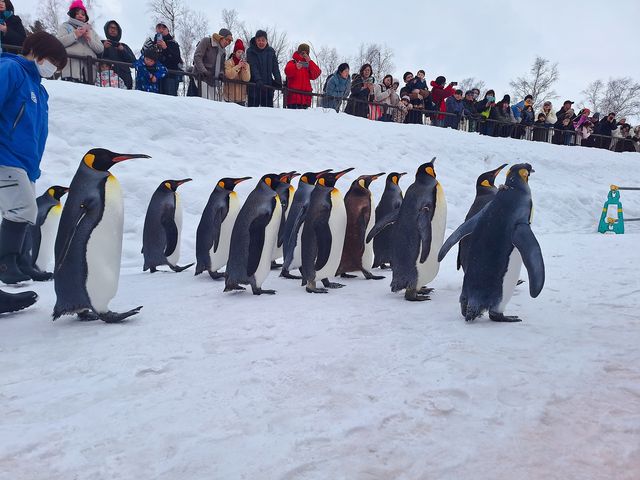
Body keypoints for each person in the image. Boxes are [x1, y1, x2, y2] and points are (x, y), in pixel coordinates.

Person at [0, 32, 67, 314]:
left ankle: (21, 261)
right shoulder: (11, 69)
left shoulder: (39, 88)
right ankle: (7, 262)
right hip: (6, 155)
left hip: (25, 162)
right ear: (35, 51)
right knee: (23, 209)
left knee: (24, 210)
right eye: (52, 61)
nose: (52, 68)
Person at [57, 0, 103, 84]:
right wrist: (75, 35)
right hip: (71, 69)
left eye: (83, 14)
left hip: (90, 71)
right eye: (77, 13)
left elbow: (100, 49)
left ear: (85, 17)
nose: (80, 16)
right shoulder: (65, 26)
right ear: (72, 14)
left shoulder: (91, 31)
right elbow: (59, 43)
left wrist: (89, 39)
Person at [142, 22, 183, 96]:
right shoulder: (151, 42)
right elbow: (143, 57)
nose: (161, 30)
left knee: (169, 100)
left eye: (163, 28)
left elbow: (176, 60)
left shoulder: (173, 43)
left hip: (169, 77)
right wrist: (150, 48)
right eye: (158, 28)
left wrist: (165, 48)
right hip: (153, 76)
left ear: (168, 30)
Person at [193, 28, 233, 100]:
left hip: (212, 80)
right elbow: (197, 56)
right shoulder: (207, 42)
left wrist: (221, 74)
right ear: (220, 37)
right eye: (226, 39)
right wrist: (204, 71)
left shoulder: (223, 52)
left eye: (229, 41)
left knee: (214, 102)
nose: (227, 42)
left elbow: (222, 67)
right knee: (206, 101)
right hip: (201, 77)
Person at [246, 29, 282, 108]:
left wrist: (278, 80)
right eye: (259, 40)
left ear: (266, 41)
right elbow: (252, 66)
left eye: (263, 40)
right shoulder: (250, 51)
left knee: (268, 115)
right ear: (256, 40)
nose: (261, 42)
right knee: (252, 113)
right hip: (254, 87)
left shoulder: (271, 51)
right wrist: (258, 79)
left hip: (267, 88)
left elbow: (275, 68)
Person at [100, 20, 135, 89]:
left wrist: (123, 51)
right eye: (111, 28)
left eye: (115, 28)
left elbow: (133, 63)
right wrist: (104, 48)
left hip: (125, 80)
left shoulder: (124, 46)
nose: (113, 30)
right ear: (107, 29)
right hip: (106, 81)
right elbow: (95, 59)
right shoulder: (101, 44)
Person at [284, 43, 321, 109]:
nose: (304, 55)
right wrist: (296, 67)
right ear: (298, 52)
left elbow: (317, 73)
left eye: (306, 53)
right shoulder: (292, 63)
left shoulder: (308, 66)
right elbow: (287, 71)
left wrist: (310, 61)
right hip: (294, 99)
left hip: (306, 100)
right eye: (302, 53)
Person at [223, 39, 251, 105]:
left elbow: (246, 79)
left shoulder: (246, 65)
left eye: (242, 52)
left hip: (241, 98)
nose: (240, 54)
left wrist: (244, 68)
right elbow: (229, 75)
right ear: (234, 53)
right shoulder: (228, 62)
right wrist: (238, 66)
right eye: (238, 52)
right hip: (229, 97)